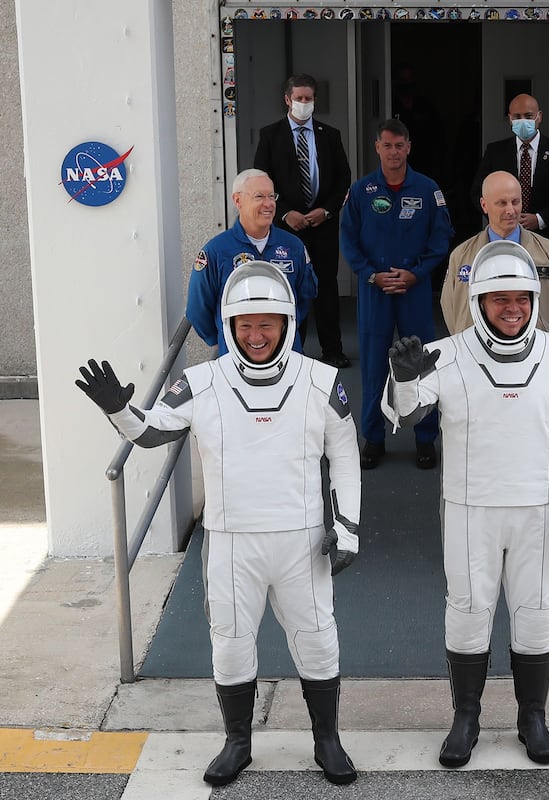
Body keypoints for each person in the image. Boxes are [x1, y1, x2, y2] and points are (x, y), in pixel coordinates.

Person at [76, 262, 360, 788]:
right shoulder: (200, 381)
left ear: (287, 323)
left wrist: (347, 525)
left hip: (302, 542)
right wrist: (120, 410)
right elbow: (154, 432)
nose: (256, 336)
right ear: (229, 325)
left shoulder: (321, 381)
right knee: (230, 643)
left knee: (319, 640)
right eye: (245, 325)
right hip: (230, 541)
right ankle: (237, 742)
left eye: (267, 324)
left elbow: (344, 455)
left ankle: (327, 740)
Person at [382, 239, 549, 768]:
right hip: (469, 508)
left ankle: (533, 717)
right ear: (479, 300)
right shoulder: (446, 354)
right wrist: (404, 377)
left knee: (536, 610)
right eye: (500, 299)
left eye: (523, 298)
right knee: (467, 610)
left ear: (534, 298)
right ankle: (466, 716)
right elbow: (403, 417)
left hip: (538, 507)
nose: (513, 309)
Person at [340, 118, 453, 470]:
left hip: (413, 290)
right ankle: (373, 439)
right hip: (375, 291)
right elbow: (348, 241)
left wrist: (416, 274)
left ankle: (424, 439)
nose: (393, 152)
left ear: (409, 147)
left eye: (399, 145)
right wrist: (372, 276)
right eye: (386, 145)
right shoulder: (360, 192)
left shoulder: (427, 189)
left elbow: (441, 238)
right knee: (374, 366)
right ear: (377, 147)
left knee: (421, 363)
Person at [253, 74, 353, 368]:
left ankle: (332, 349)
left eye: (309, 98)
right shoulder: (270, 135)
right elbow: (262, 180)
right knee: (290, 286)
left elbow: (343, 178)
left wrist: (327, 211)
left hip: (322, 224)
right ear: (288, 99)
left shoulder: (329, 135)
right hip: (287, 229)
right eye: (299, 98)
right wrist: (284, 212)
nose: (304, 103)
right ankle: (292, 351)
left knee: (326, 287)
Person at [186, 169, 317, 356]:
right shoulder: (216, 251)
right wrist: (221, 339)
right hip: (235, 359)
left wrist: (283, 330)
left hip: (286, 355)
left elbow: (304, 297)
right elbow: (197, 307)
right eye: (259, 196)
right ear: (237, 201)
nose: (269, 204)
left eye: (272, 196)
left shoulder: (293, 246)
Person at [441, 170, 549, 336]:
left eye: (515, 202)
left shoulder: (547, 251)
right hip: (475, 354)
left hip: (536, 354)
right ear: (484, 205)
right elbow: (450, 308)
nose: (511, 210)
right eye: (502, 203)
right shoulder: (461, 256)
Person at [471, 94, 549, 268]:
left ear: (539, 117)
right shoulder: (495, 151)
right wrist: (503, 217)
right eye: (517, 117)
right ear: (509, 119)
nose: (523, 121)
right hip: (504, 242)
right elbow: (478, 192)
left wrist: (539, 219)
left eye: (528, 116)